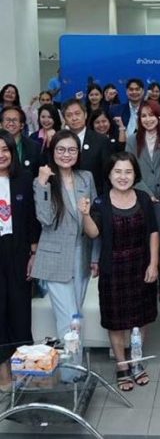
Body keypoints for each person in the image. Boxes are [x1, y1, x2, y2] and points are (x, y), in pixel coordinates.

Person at [79, 152, 159, 391]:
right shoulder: (100, 202)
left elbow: (153, 232)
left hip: (141, 264)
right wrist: (85, 214)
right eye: (118, 172)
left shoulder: (143, 198)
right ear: (109, 174)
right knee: (115, 321)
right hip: (113, 269)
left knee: (141, 318)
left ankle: (136, 361)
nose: (123, 177)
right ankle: (122, 365)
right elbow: (93, 233)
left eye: (128, 172)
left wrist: (154, 263)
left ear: (135, 174)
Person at [32, 130, 98, 341]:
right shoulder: (43, 181)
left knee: (76, 316)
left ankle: (73, 361)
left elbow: (93, 218)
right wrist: (42, 184)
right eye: (61, 150)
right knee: (69, 320)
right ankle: (72, 364)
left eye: (71, 150)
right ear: (52, 152)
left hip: (82, 255)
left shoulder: (86, 177)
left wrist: (95, 256)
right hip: (55, 258)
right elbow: (45, 219)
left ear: (78, 152)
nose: (66, 154)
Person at [126, 100, 160, 305]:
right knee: (141, 245)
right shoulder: (133, 140)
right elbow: (129, 169)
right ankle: (143, 285)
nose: (148, 119)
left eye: (152, 115)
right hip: (140, 196)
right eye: (144, 116)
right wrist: (147, 193)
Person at [0, 130, 39, 390]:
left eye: (5, 149)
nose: (1, 155)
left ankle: (25, 371)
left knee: (21, 312)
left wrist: (34, 254)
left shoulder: (24, 179)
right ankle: (3, 374)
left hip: (19, 252)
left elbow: (32, 220)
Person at [62, 99, 112, 195]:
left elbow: (107, 174)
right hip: (66, 194)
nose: (74, 118)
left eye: (77, 113)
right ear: (64, 119)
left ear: (85, 115)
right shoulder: (59, 140)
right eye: (69, 115)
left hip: (94, 195)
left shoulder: (101, 140)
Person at [1, 106, 42, 177]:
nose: (11, 123)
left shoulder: (34, 147)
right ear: (1, 124)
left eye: (15, 120)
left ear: (22, 125)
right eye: (7, 120)